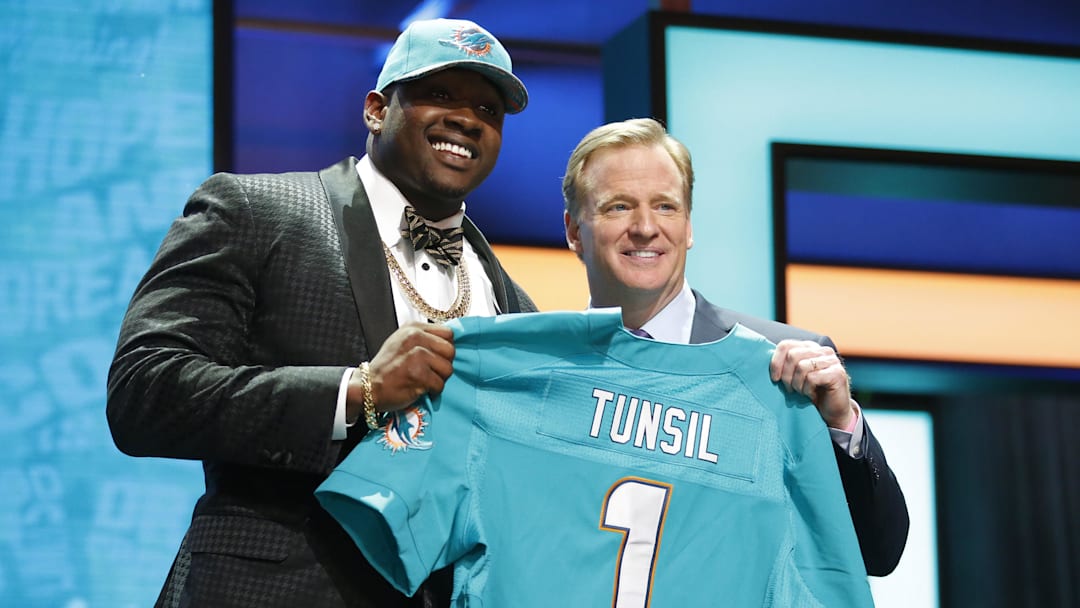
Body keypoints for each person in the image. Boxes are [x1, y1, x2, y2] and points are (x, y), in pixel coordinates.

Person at [106, 18, 534, 608]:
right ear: (377, 110)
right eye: (438, 94)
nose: (466, 118)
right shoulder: (256, 210)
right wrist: (358, 392)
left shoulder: (511, 300)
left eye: (488, 109)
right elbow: (144, 392)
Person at [562, 117, 910, 576]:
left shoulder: (784, 364)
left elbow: (878, 553)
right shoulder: (542, 374)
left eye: (666, 207)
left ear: (688, 227)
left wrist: (841, 424)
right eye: (618, 207)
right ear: (573, 231)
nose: (645, 227)